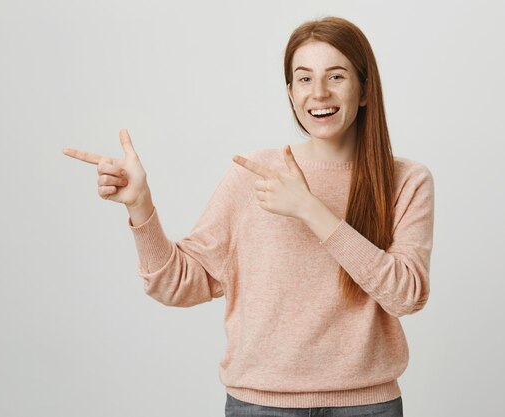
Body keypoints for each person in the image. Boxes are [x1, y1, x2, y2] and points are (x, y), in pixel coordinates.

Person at [63, 15, 433, 417]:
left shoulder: (406, 181)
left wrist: (310, 209)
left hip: (366, 406)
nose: (319, 93)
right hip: (260, 405)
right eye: (304, 79)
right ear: (291, 93)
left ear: (364, 90)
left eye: (337, 76)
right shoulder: (253, 174)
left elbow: (406, 295)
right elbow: (177, 284)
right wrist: (141, 206)